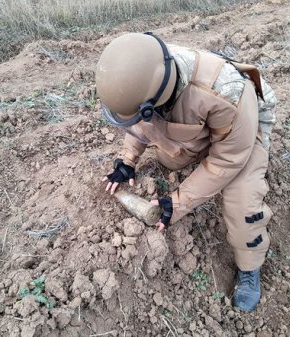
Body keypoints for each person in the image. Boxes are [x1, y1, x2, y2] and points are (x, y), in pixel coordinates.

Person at [96, 32, 277, 312]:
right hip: (199, 118)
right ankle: (200, 144)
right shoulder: (145, 76)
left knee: (242, 198)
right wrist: (127, 161)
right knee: (172, 161)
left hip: (243, 126)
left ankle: (249, 267)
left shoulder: (225, 91)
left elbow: (227, 160)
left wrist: (177, 203)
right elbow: (141, 124)